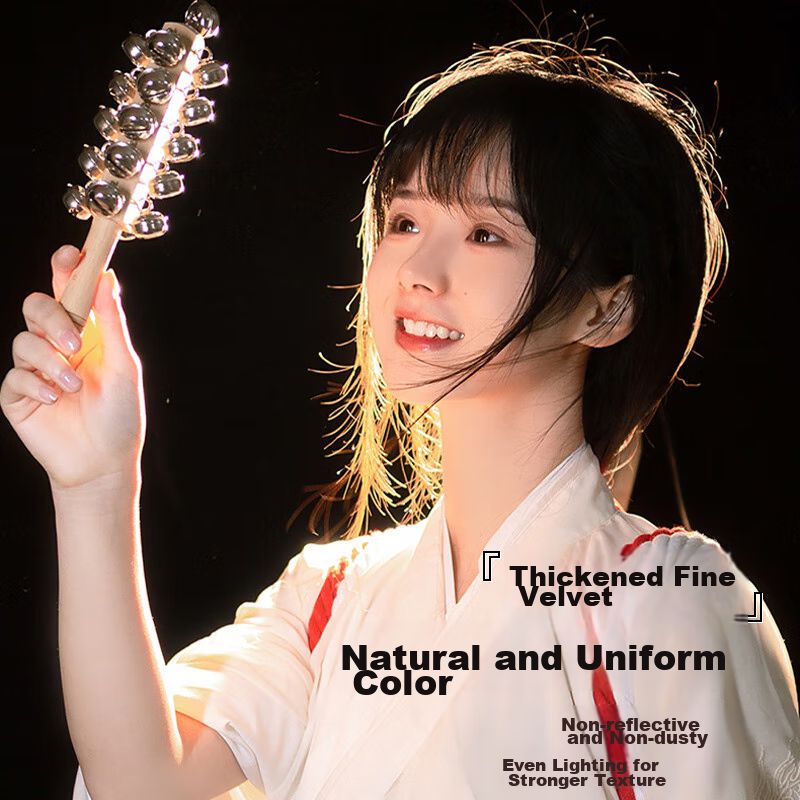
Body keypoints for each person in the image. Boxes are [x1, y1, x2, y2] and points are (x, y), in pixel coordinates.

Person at [3, 31, 798, 800]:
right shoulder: (329, 597)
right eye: (406, 221)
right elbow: (143, 782)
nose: (418, 269)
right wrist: (95, 486)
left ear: (607, 308)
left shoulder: (669, 604)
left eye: (486, 233)